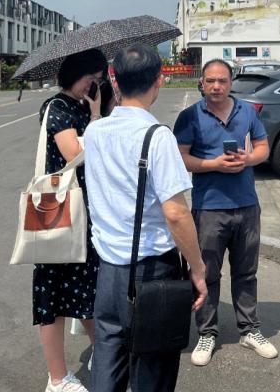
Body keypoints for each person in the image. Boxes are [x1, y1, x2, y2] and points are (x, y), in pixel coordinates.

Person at [84, 44, 207, 392]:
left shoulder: (94, 132)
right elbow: (176, 213)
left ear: (114, 81)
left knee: (108, 361)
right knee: (153, 369)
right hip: (151, 269)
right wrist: (198, 269)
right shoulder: (157, 137)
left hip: (109, 270)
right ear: (159, 80)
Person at [173, 59, 278, 367]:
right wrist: (213, 165)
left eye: (222, 81)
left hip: (246, 204)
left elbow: (263, 147)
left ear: (231, 82)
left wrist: (248, 159)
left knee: (246, 271)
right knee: (207, 272)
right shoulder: (190, 116)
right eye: (210, 81)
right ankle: (207, 332)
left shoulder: (247, 111)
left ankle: (250, 329)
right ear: (202, 83)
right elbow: (180, 158)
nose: (216, 86)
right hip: (209, 207)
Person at [34, 48, 113, 392]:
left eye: (98, 80)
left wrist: (100, 109)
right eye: (89, 79)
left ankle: (103, 351)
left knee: (86, 286)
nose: (92, 86)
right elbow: (74, 154)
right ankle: (57, 378)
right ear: (73, 74)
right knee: (52, 293)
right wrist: (96, 116)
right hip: (57, 209)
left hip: (83, 210)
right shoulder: (58, 108)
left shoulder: (82, 106)